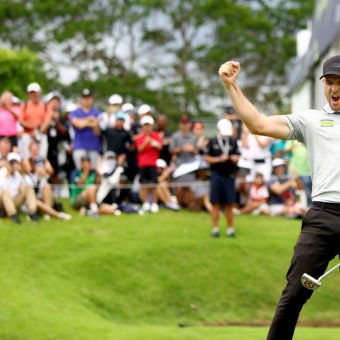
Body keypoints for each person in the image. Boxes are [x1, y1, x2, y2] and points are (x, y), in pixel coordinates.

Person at [218, 55, 340, 339]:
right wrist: (231, 86)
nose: (335, 89)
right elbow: (258, 124)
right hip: (323, 217)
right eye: (330, 82)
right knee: (294, 294)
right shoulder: (311, 120)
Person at [204, 118, 240, 238]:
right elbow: (206, 158)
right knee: (216, 203)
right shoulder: (212, 141)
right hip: (216, 175)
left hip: (230, 175)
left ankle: (230, 229)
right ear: (218, 130)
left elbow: (238, 156)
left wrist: (235, 158)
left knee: (230, 203)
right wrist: (218, 159)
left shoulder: (233, 141)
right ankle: (215, 228)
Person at [0, 152, 39, 223]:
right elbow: (1, 190)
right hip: (2, 203)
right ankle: (13, 215)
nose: (13, 165)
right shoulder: (2, 172)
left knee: (28, 188)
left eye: (15, 162)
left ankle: (32, 213)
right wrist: (8, 174)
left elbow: (32, 184)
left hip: (14, 201)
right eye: (11, 162)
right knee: (5, 191)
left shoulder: (19, 174)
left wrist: (23, 173)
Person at [135, 115, 162, 213]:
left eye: (148, 125)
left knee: (154, 184)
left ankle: (154, 203)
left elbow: (160, 147)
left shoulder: (156, 136)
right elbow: (139, 149)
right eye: (145, 126)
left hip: (153, 163)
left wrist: (152, 142)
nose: (147, 128)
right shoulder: (140, 137)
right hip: (142, 164)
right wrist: (146, 142)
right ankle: (146, 203)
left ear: (152, 126)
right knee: (144, 184)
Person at [170, 115, 198, 206]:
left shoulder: (193, 137)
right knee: (179, 186)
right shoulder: (175, 136)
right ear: (180, 125)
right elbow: (171, 150)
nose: (185, 126)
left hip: (191, 165)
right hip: (180, 165)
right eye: (183, 124)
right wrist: (182, 148)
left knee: (189, 186)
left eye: (187, 124)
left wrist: (192, 150)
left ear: (190, 124)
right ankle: (179, 203)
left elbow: (196, 151)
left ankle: (187, 203)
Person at [19, 82, 52, 159]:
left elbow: (47, 121)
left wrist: (38, 132)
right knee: (27, 157)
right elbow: (21, 121)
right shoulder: (24, 105)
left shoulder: (45, 106)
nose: (34, 95)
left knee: (42, 157)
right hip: (28, 135)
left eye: (36, 92)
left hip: (41, 134)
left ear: (40, 93)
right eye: (32, 93)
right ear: (28, 94)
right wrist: (34, 128)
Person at [70, 89, 101, 169]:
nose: (86, 100)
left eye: (89, 97)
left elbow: (98, 131)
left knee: (93, 174)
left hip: (94, 147)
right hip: (79, 147)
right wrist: (91, 120)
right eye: (84, 98)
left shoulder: (98, 112)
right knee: (80, 172)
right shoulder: (75, 112)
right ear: (81, 99)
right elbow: (78, 124)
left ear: (92, 99)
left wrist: (82, 121)